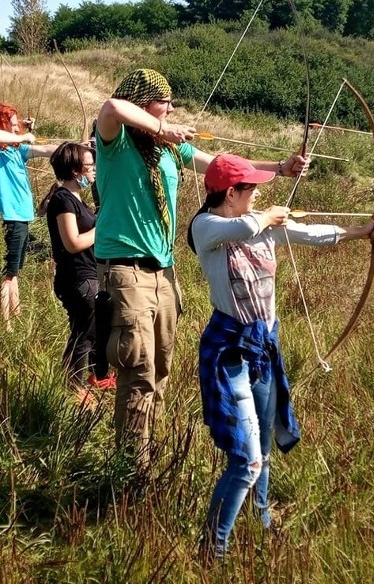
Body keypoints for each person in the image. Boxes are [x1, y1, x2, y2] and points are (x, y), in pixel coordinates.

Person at [94, 68, 307, 466]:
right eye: (164, 103)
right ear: (143, 103)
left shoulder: (171, 149)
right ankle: (130, 464)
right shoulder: (114, 140)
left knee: (160, 367)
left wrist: (280, 167)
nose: (171, 110)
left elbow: (221, 167)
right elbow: (111, 106)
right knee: (137, 366)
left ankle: (145, 451)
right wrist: (163, 129)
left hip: (163, 270)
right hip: (125, 268)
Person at [188, 154, 374, 560]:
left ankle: (260, 523)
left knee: (261, 444)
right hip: (231, 353)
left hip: (263, 346)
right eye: (251, 188)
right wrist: (269, 216)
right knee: (245, 460)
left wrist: (361, 231)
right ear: (230, 193)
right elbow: (245, 225)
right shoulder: (207, 226)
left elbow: (312, 234)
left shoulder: (262, 226)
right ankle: (212, 551)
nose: (258, 193)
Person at [0, 103, 57, 327]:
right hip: (7, 216)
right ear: (0, 124)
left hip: (20, 216)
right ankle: (6, 325)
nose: (16, 129)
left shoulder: (15, 150)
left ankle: (16, 315)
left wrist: (76, 148)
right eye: (11, 125)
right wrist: (23, 137)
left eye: (17, 125)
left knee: (14, 271)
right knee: (6, 273)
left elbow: (46, 150)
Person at [45, 142, 116, 392]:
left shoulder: (76, 199)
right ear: (76, 170)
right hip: (77, 278)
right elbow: (72, 243)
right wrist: (102, 229)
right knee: (84, 335)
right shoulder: (62, 200)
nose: (94, 169)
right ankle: (74, 389)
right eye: (89, 165)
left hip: (89, 275)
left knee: (93, 332)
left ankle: (94, 378)